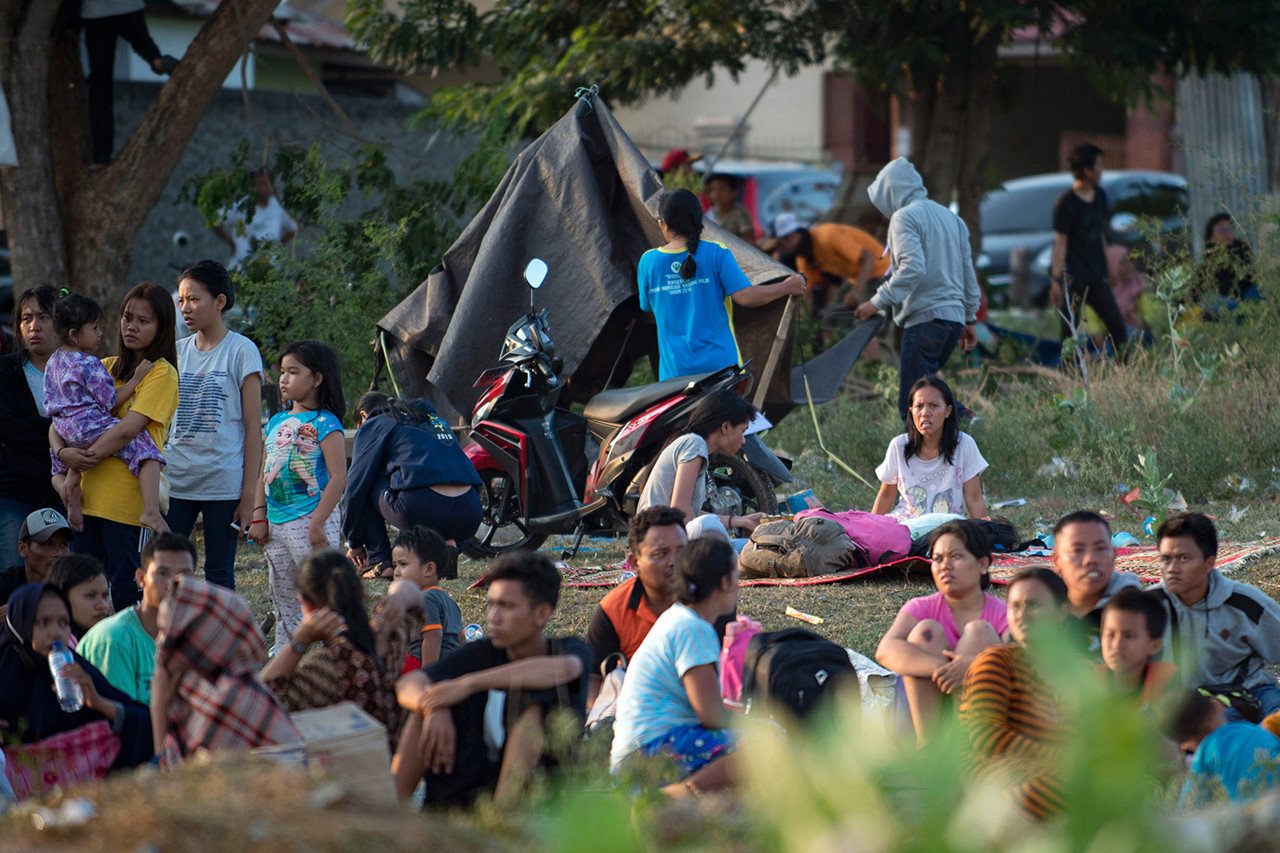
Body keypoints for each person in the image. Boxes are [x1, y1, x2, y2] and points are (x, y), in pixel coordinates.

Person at [393, 551, 591, 808]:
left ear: (542, 614)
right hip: (466, 787)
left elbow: (564, 669)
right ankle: (391, 814)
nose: (493, 617)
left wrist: (468, 684)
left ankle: (502, 821)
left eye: (506, 606)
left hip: (537, 801)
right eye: (491, 605)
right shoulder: (482, 652)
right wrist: (432, 706)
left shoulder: (567, 649)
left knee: (535, 705)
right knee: (424, 710)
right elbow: (408, 684)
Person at [51, 282, 179, 613]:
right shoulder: (101, 365)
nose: (131, 326)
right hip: (88, 503)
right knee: (84, 596)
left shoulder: (160, 373)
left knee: (126, 594)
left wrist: (82, 459)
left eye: (143, 320)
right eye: (126, 317)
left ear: (162, 327)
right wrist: (64, 453)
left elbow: (127, 430)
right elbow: (60, 419)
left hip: (126, 506)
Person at [610, 538, 739, 796]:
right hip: (649, 751)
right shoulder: (693, 628)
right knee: (762, 750)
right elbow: (711, 715)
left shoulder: (679, 618)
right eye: (737, 577)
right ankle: (671, 797)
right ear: (725, 582)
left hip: (639, 753)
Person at [855, 157, 981, 422]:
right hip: (952, 322)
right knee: (927, 393)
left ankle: (966, 421)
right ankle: (960, 430)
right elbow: (967, 272)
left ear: (892, 192)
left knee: (913, 404)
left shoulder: (904, 217)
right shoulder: (952, 219)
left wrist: (876, 302)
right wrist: (969, 317)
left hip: (926, 320)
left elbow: (912, 268)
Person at [165, 260, 264, 591]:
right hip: (177, 479)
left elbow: (253, 430)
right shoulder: (176, 353)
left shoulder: (242, 351)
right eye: (181, 300)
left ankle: (220, 628)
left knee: (219, 574)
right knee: (169, 571)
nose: (185, 308)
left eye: (194, 299)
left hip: (223, 482)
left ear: (219, 301)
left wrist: (248, 495)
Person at [638, 188, 805, 381]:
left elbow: (647, 306)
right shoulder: (717, 253)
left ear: (664, 224)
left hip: (675, 376)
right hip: (721, 369)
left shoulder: (648, 262)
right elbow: (746, 297)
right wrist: (786, 287)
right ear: (698, 220)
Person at [0, 583, 152, 789]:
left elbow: (146, 724)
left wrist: (98, 702)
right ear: (20, 623)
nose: (56, 633)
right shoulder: (5, 671)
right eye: (43, 622)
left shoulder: (75, 669)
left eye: (64, 623)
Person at [248, 341, 346, 654]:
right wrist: (258, 515)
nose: (284, 379)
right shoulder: (276, 422)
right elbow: (263, 472)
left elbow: (338, 478)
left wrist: (318, 523)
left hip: (310, 520)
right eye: (282, 372)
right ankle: (287, 651)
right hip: (276, 523)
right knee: (283, 591)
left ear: (317, 378)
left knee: (321, 589)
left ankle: (334, 652)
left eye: (293, 372)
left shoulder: (326, 423)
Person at [44, 292, 166, 533]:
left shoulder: (53, 361)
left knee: (58, 468)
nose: (100, 333)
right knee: (147, 449)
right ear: (74, 335)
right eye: (94, 328)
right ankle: (151, 511)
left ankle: (70, 495)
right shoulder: (89, 364)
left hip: (64, 429)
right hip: (90, 426)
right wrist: (136, 379)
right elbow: (111, 401)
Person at [876, 520, 1006, 742]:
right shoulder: (920, 607)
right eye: (937, 559)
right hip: (922, 715)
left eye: (956, 556)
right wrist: (945, 669)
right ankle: (929, 749)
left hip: (983, 720)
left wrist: (976, 666)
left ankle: (972, 747)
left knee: (979, 632)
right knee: (926, 632)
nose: (945, 566)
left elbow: (1025, 659)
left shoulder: (1003, 612)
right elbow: (885, 650)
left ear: (982, 564)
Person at [960, 567, 1071, 821]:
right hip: (995, 776)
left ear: (1061, 613)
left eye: (1034, 605)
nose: (1022, 615)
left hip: (1051, 775)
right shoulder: (996, 661)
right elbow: (985, 735)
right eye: (1015, 606)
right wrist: (1057, 759)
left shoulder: (1075, 674)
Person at [152, 577, 301, 766]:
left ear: (202, 637)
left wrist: (158, 702)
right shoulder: (200, 687)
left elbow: (174, 776)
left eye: (166, 631)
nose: (160, 642)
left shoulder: (224, 702)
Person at [260, 551, 408, 739]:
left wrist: (299, 641)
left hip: (355, 756)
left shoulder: (324, 666)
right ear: (359, 591)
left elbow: (256, 705)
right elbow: (413, 593)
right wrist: (400, 598)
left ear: (305, 603)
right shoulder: (391, 637)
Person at [1152, 512, 1280, 719]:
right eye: (1166, 559)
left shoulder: (1245, 603)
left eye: (1184, 558)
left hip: (1247, 692)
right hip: (1180, 702)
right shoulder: (1149, 605)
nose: (1172, 569)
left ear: (1209, 563)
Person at [343, 392, 481, 580]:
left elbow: (355, 487)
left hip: (421, 508)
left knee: (367, 479)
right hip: (470, 511)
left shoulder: (375, 423)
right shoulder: (434, 420)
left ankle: (380, 562)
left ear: (363, 416)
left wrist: (354, 541)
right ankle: (450, 545)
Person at [586, 506, 688, 706]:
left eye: (682, 551)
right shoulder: (613, 609)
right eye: (661, 553)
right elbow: (592, 678)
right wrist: (606, 715)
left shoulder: (711, 598)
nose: (674, 561)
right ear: (634, 562)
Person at [78, 532, 195, 704]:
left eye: (184, 574)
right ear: (141, 578)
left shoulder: (200, 635)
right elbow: (122, 715)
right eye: (162, 573)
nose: (173, 583)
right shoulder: (114, 640)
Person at [637, 389, 763, 543]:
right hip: (660, 541)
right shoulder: (695, 444)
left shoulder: (693, 443)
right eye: (742, 431)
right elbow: (680, 511)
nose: (743, 440)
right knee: (716, 529)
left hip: (665, 535)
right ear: (725, 427)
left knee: (752, 547)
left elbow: (691, 513)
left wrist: (741, 521)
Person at [0, 285, 63, 565]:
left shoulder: (78, 369)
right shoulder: (7, 370)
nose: (34, 326)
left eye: (43, 317)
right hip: (16, 489)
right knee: (13, 568)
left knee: (67, 573)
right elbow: (6, 425)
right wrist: (58, 431)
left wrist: (32, 429)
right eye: (27, 318)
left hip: (67, 491)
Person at [1047, 143, 1128, 350]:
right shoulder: (1066, 203)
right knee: (1070, 332)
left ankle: (1124, 364)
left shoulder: (1100, 196)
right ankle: (1071, 368)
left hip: (1096, 274)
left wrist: (1109, 267)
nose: (1101, 170)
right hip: (1072, 276)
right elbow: (1060, 242)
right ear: (1086, 170)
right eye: (1098, 165)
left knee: (1116, 324)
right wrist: (1056, 280)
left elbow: (1100, 234)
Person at [872, 377, 988, 520]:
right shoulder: (898, 446)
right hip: (905, 526)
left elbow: (975, 499)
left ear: (947, 411)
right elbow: (886, 495)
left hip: (948, 528)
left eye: (933, 406)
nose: (925, 412)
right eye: (919, 406)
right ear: (911, 411)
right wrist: (869, 529)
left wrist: (986, 532)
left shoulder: (964, 444)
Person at [81, 0, 179, 167]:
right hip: (129, 7)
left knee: (100, 84)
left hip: (94, 13)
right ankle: (157, 62)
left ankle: (101, 157)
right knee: (143, 44)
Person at [1166, 690, 1280, 809]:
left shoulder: (1203, 759)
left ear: (1183, 745)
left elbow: (1187, 806)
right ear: (1218, 705)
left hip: (1251, 815)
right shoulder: (1256, 732)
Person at [1049, 509, 1139, 656]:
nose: (1091, 559)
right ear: (1057, 561)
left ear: (1114, 555)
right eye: (1077, 550)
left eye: (1100, 548)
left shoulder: (1137, 610)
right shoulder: (1043, 610)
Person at [773, 214, 889, 320]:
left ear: (792, 236)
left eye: (782, 245)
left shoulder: (827, 236)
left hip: (879, 271)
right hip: (856, 279)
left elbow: (868, 257)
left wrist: (856, 292)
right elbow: (807, 294)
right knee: (830, 316)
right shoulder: (803, 258)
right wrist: (804, 320)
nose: (782, 250)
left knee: (865, 319)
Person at [389, 525, 463, 669]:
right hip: (450, 666)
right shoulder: (449, 601)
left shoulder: (425, 598)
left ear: (429, 569)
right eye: (394, 565)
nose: (396, 572)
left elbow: (433, 636)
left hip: (420, 665)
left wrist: (427, 674)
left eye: (403, 564)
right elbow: (461, 639)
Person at [1098, 588, 1175, 709]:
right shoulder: (1084, 684)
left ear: (1155, 645)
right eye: (1110, 635)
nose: (1117, 644)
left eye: (1129, 636)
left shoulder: (1168, 686)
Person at [213, 168, 298, 270]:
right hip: (241, 267)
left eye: (265, 184)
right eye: (258, 184)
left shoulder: (278, 206)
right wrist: (231, 243)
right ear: (251, 186)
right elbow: (215, 221)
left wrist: (279, 245)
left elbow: (293, 229)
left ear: (272, 186)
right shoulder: (241, 205)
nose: (262, 188)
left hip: (270, 268)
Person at [0, 509, 73, 609]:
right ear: (23, 548)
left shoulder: (76, 586)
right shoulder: (5, 583)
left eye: (63, 545)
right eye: (48, 544)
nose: (58, 553)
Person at [1197, 213, 1261, 313]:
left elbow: (1248, 275)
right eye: (1221, 230)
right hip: (1226, 299)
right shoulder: (1209, 259)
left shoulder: (1242, 247)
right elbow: (1198, 284)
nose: (1226, 233)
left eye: (1229, 228)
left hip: (1247, 293)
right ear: (1212, 236)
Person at [46, 554, 113, 643]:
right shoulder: (50, 646)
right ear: (62, 598)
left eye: (105, 595)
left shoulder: (114, 639)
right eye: (90, 595)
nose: (102, 605)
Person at [703, 173, 755, 242]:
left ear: (733, 193)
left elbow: (749, 240)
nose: (717, 193)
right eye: (713, 189)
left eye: (722, 189)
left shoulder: (739, 213)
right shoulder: (710, 213)